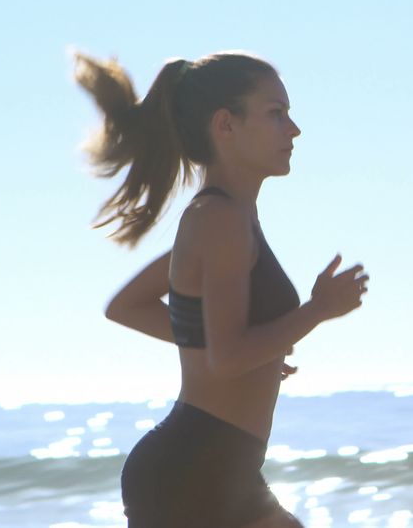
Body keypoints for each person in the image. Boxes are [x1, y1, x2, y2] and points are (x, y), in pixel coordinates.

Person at [72, 49, 369, 527]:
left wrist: (259, 347)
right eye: (276, 114)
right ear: (225, 125)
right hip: (196, 473)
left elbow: (129, 307)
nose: (293, 130)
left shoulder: (225, 217)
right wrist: (316, 309)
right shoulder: (221, 220)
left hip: (217, 469)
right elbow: (227, 358)